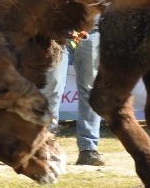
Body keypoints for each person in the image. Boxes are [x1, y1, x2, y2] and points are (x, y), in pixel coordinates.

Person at [41, 21, 105, 166]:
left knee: (91, 90)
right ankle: (45, 145)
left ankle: (89, 149)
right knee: (51, 86)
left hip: (91, 30)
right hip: (57, 31)